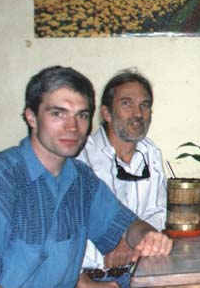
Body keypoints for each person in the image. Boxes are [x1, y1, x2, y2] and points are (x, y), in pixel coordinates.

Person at [0, 66, 173, 288]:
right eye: (58, 113)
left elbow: (126, 225)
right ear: (31, 117)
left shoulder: (80, 179)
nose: (72, 127)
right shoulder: (2, 179)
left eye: (82, 115)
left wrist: (147, 236)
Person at [76, 68, 167, 286]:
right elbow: (71, 225)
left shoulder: (150, 153)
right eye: (127, 103)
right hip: (86, 278)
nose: (138, 113)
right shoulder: (80, 155)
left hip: (137, 272)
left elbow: (157, 212)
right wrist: (113, 244)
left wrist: (134, 241)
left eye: (144, 105)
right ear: (106, 113)